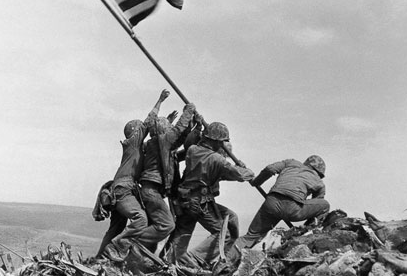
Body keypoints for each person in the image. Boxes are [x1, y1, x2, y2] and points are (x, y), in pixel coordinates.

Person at [164, 122, 255, 268]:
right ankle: (195, 259)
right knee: (224, 234)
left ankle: (170, 260)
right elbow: (238, 175)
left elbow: (218, 173)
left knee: (185, 231)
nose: (222, 145)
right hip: (200, 202)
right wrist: (248, 171)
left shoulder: (192, 151)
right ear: (216, 141)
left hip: (184, 199)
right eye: (221, 142)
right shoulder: (217, 159)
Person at [96, 89, 170, 261]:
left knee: (116, 228)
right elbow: (148, 121)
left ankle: (100, 259)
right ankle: (116, 248)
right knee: (140, 219)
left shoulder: (135, 148)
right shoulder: (133, 143)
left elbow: (155, 133)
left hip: (121, 189)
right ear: (135, 131)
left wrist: (168, 123)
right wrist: (160, 100)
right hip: (123, 189)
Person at [225, 155, 330, 263]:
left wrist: (256, 182)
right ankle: (308, 232)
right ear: (319, 172)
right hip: (293, 209)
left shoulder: (291, 162)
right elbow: (316, 205)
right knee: (325, 205)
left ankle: (225, 262)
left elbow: (270, 169)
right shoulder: (319, 183)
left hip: (271, 203)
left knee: (250, 237)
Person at [135, 101, 197, 252]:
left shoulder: (158, 145)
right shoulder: (162, 141)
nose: (171, 130)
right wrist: (188, 110)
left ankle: (140, 256)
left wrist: (194, 126)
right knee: (167, 225)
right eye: (168, 128)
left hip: (151, 191)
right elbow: (178, 130)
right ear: (164, 130)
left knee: (154, 228)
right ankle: (128, 241)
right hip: (151, 191)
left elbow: (181, 138)